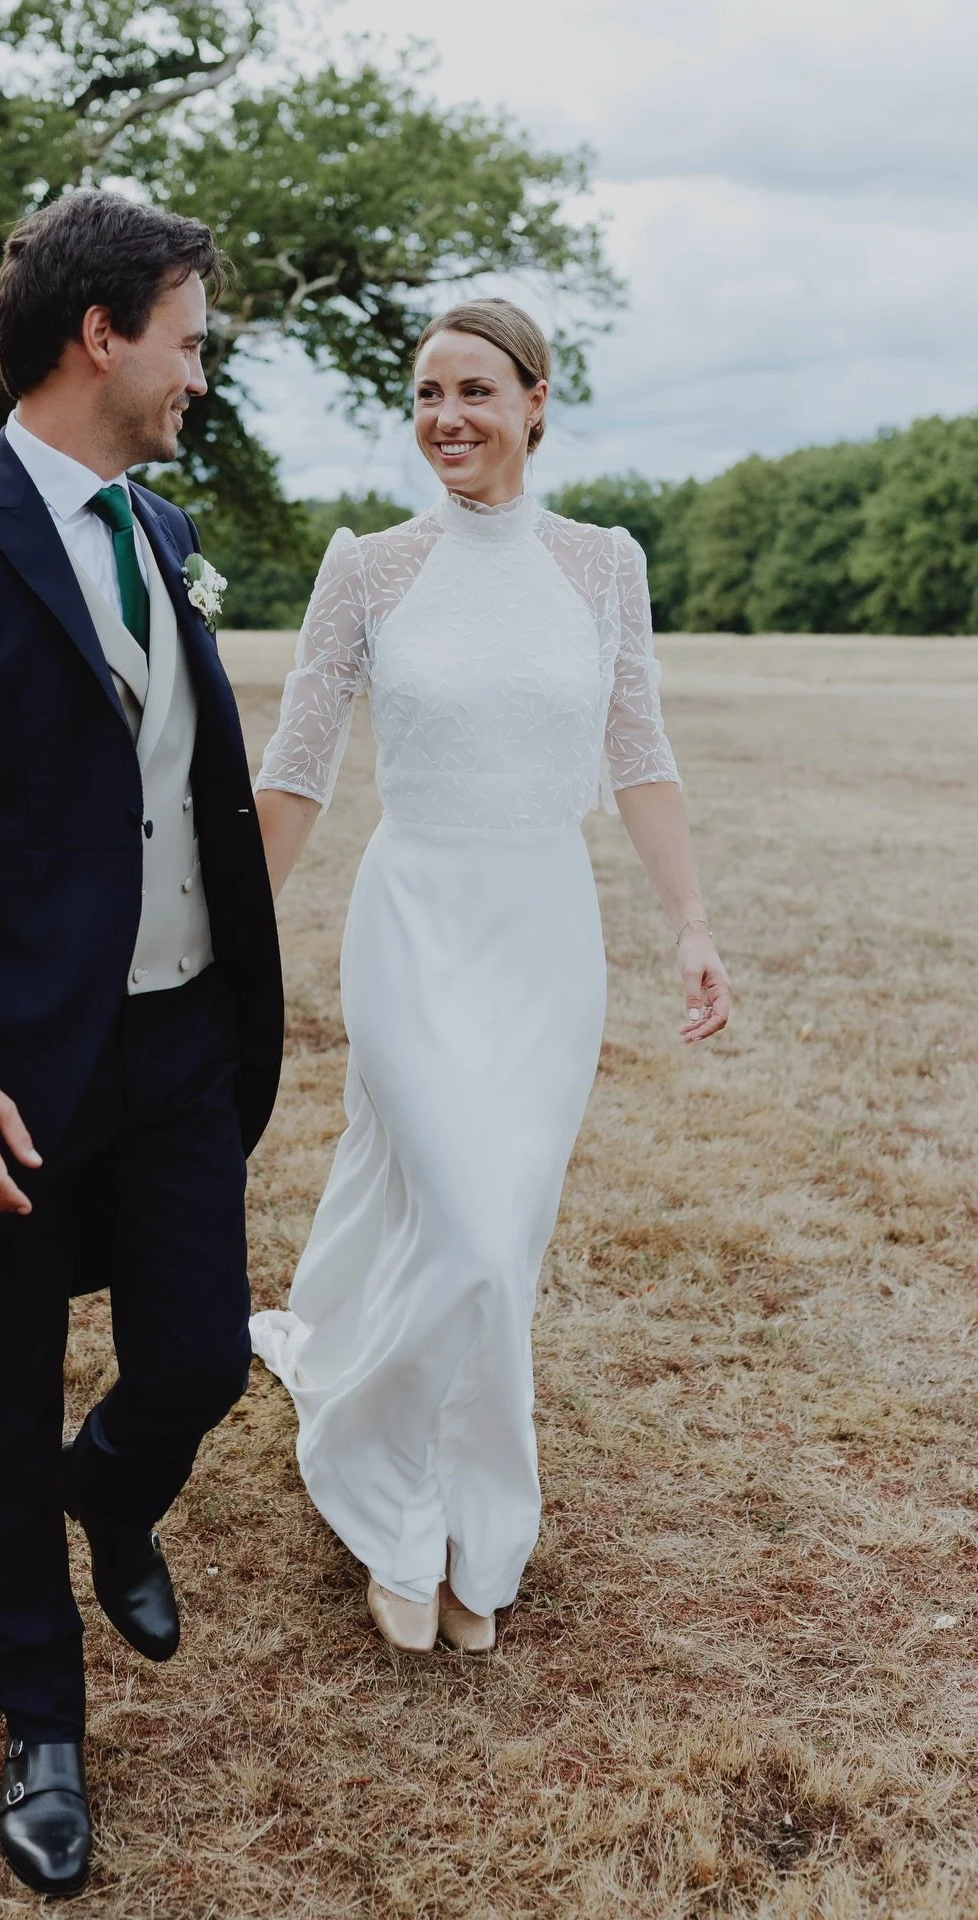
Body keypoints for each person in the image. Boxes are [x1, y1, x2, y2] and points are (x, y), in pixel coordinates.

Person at [0, 191, 283, 1896]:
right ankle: (41, 1724)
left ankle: (118, 1492)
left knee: (203, 1361)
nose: (197, 373)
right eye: (187, 340)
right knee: (2, 1408)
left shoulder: (162, 531)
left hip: (182, 1043)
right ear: (103, 337)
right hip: (12, 1066)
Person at [250, 298, 732, 1657]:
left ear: (533, 401)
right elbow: (298, 766)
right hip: (412, 925)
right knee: (461, 1232)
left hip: (545, 938)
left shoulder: (604, 566)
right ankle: (393, 1506)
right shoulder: (370, 569)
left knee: (499, 1247)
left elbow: (638, 753)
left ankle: (481, 1530)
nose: (446, 418)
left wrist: (690, 922)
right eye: (425, 394)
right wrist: (228, 929)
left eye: (474, 391)